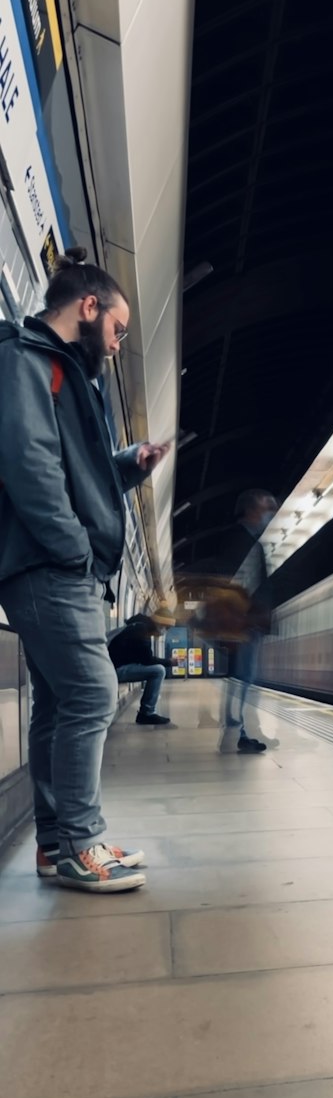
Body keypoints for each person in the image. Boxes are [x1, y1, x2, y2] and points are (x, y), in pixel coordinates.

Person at [0, 248, 170, 892]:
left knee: (57, 703)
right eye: (118, 329)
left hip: (53, 562)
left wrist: (130, 463)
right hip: (48, 564)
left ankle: (55, 846)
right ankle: (80, 845)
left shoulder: (65, 371)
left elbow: (78, 472)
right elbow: (30, 463)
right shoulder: (26, 358)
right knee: (94, 694)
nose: (119, 343)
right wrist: (73, 547)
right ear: (88, 306)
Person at [213, 488, 277, 753]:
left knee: (243, 680)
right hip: (241, 624)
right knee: (243, 680)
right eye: (266, 509)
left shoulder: (245, 540)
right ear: (252, 510)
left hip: (241, 623)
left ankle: (242, 731)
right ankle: (237, 734)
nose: (269, 515)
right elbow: (240, 584)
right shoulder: (240, 541)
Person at [108, 613, 173, 725]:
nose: (164, 631)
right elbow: (147, 659)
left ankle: (146, 712)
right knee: (158, 671)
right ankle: (147, 713)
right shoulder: (141, 630)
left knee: (157, 669)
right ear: (159, 624)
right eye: (165, 627)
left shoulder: (138, 626)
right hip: (115, 670)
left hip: (112, 667)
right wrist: (169, 662)